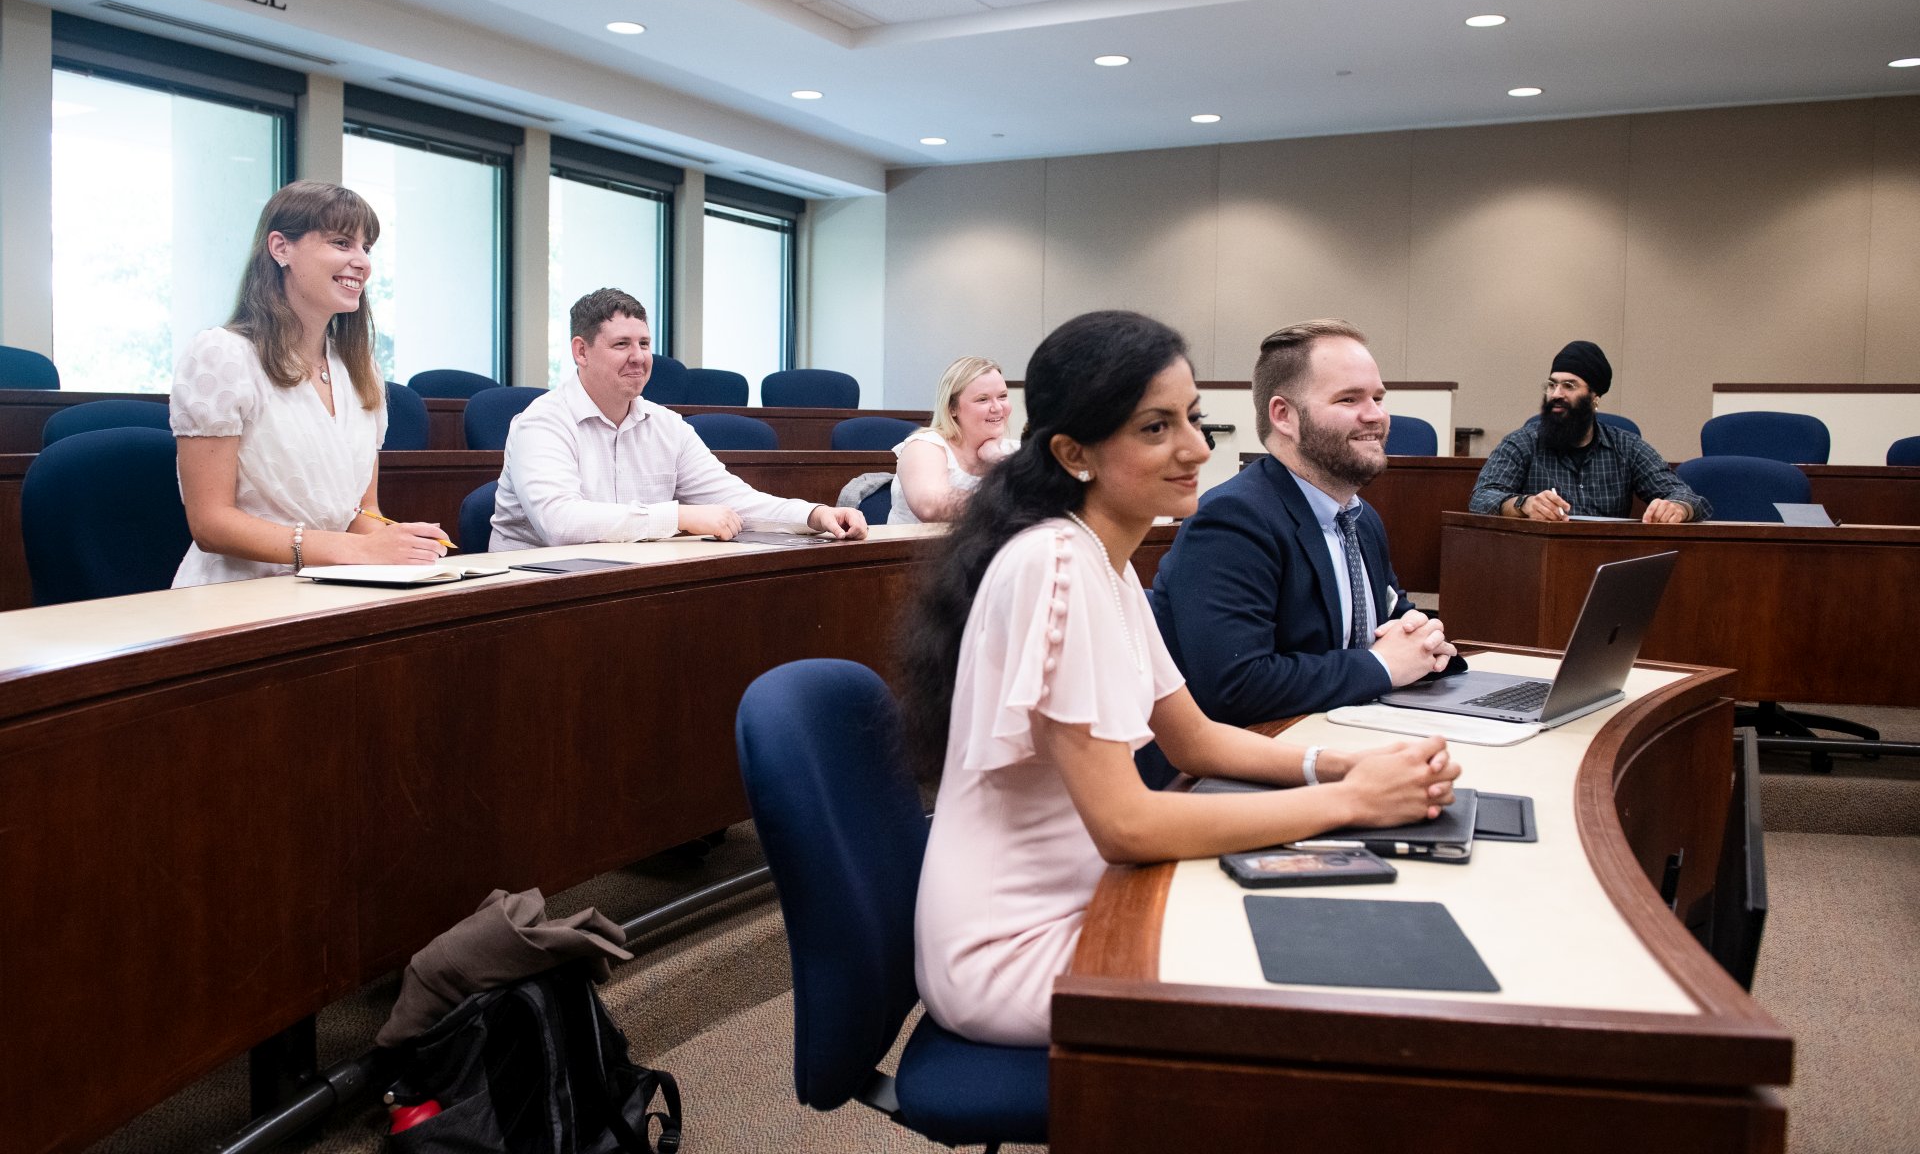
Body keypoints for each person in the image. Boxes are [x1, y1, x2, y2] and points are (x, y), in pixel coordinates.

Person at [900, 310, 1460, 1048]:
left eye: (1192, 419)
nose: (1196, 446)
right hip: (1020, 950)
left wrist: (1338, 764)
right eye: (1155, 428)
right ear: (1075, 453)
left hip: (1094, 896)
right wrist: (1347, 801)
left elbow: (1193, 740)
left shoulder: (1105, 560)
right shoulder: (1056, 566)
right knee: (1344, 996)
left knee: (1340, 936)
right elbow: (1128, 824)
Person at [1150, 319, 1454, 726]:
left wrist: (1427, 644)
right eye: (1349, 399)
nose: (1376, 416)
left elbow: (1397, 626)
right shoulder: (1232, 520)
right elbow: (1235, 686)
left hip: (1347, 734)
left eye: (1379, 398)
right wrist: (1382, 666)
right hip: (1251, 760)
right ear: (1284, 416)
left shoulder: (1361, 520)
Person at [171, 181, 448, 586]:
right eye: (341, 243)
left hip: (335, 585)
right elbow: (210, 524)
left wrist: (401, 546)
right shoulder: (221, 354)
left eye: (366, 248)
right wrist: (355, 551)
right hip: (236, 595)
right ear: (280, 247)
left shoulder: (360, 368)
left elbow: (360, 513)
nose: (362, 262)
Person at [490, 288, 868, 550]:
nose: (639, 356)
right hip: (530, 596)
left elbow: (735, 501)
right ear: (581, 351)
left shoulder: (667, 425)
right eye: (622, 344)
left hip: (623, 583)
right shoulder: (541, 423)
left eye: (644, 343)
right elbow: (561, 523)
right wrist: (680, 516)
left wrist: (815, 514)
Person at [1468, 340, 1710, 523]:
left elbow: (1688, 497)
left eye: (1569, 386)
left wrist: (1677, 507)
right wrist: (1524, 504)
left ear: (1594, 397)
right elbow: (1481, 498)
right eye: (1552, 385)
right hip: (1541, 563)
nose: (1556, 394)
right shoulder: (1522, 443)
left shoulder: (1627, 447)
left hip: (1608, 561)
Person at [888, 355, 1018, 524]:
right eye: (982, 399)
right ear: (952, 408)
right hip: (916, 549)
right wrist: (1016, 501)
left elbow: (1054, 500)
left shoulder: (1014, 450)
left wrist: (996, 458)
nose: (998, 407)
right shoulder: (924, 446)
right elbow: (930, 505)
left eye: (1002, 396)